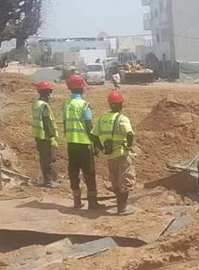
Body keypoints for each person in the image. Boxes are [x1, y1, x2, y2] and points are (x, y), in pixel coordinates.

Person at [62, 74, 103, 210]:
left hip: (71, 144)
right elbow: (89, 127)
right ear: (82, 88)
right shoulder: (84, 105)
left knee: (73, 173)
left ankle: (77, 201)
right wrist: (96, 145)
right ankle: (92, 202)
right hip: (84, 144)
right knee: (89, 173)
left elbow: (65, 124)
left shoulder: (66, 105)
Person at [93, 91, 137, 215]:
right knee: (126, 179)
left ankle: (120, 206)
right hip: (122, 154)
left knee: (115, 180)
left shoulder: (103, 118)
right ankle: (122, 208)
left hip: (110, 155)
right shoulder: (122, 119)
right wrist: (129, 146)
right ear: (120, 104)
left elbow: (94, 136)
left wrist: (101, 148)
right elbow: (129, 134)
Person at [31, 81, 60, 188]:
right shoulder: (44, 106)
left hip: (39, 137)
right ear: (45, 93)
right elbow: (47, 122)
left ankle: (49, 179)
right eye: (48, 92)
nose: (49, 95)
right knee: (48, 160)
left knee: (44, 159)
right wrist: (52, 137)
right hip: (45, 137)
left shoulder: (36, 104)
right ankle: (49, 181)